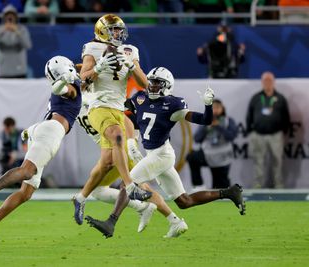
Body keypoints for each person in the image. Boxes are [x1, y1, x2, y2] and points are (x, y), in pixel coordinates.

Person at [85, 67, 246, 238]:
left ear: (167, 86)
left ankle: (110, 223)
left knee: (128, 184)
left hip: (162, 155)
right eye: (151, 82)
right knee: (184, 201)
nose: (152, 86)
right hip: (153, 154)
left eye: (157, 83)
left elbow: (205, 120)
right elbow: (122, 111)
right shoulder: (140, 98)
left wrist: (208, 105)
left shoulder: (173, 105)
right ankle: (228, 193)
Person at [0, 55, 81, 250]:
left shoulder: (75, 80)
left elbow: (85, 71)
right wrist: (66, 79)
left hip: (42, 127)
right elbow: (63, 88)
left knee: (26, 192)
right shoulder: (70, 88)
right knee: (28, 171)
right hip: (52, 130)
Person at [72, 14, 152, 225]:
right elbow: (83, 78)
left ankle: (80, 198)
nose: (118, 33)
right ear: (102, 31)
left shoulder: (130, 51)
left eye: (119, 29)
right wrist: (98, 68)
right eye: (114, 30)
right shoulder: (92, 48)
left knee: (107, 162)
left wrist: (132, 66)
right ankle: (130, 185)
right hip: (98, 106)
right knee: (118, 136)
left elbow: (145, 84)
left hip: (118, 108)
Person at [77, 91, 186, 236]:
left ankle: (166, 217)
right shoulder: (74, 101)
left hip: (120, 149)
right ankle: (167, 217)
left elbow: (126, 118)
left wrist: (131, 144)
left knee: (132, 186)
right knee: (118, 188)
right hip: (116, 149)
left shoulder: (93, 97)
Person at [246, 71, 290, 188]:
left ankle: (278, 185)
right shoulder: (256, 98)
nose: (267, 83)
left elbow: (286, 116)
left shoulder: (280, 98)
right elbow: (249, 115)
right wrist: (250, 131)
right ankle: (258, 185)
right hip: (258, 134)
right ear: (262, 82)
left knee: (277, 161)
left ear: (273, 82)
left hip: (276, 134)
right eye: (265, 80)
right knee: (259, 161)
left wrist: (284, 131)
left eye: (270, 80)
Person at [187, 99, 238, 189]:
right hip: (208, 154)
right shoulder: (205, 120)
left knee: (220, 188)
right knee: (192, 157)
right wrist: (206, 127)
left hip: (222, 156)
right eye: (213, 108)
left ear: (223, 109)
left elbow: (232, 136)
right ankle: (199, 186)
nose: (215, 110)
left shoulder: (228, 121)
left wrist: (218, 126)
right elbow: (197, 139)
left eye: (218, 107)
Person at [0, 5, 32, 78]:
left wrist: (17, 32)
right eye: (7, 15)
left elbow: (28, 45)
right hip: (3, 71)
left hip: (19, 70)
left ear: (16, 17)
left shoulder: (22, 29)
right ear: (4, 17)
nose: (10, 18)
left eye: (12, 15)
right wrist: (2, 31)